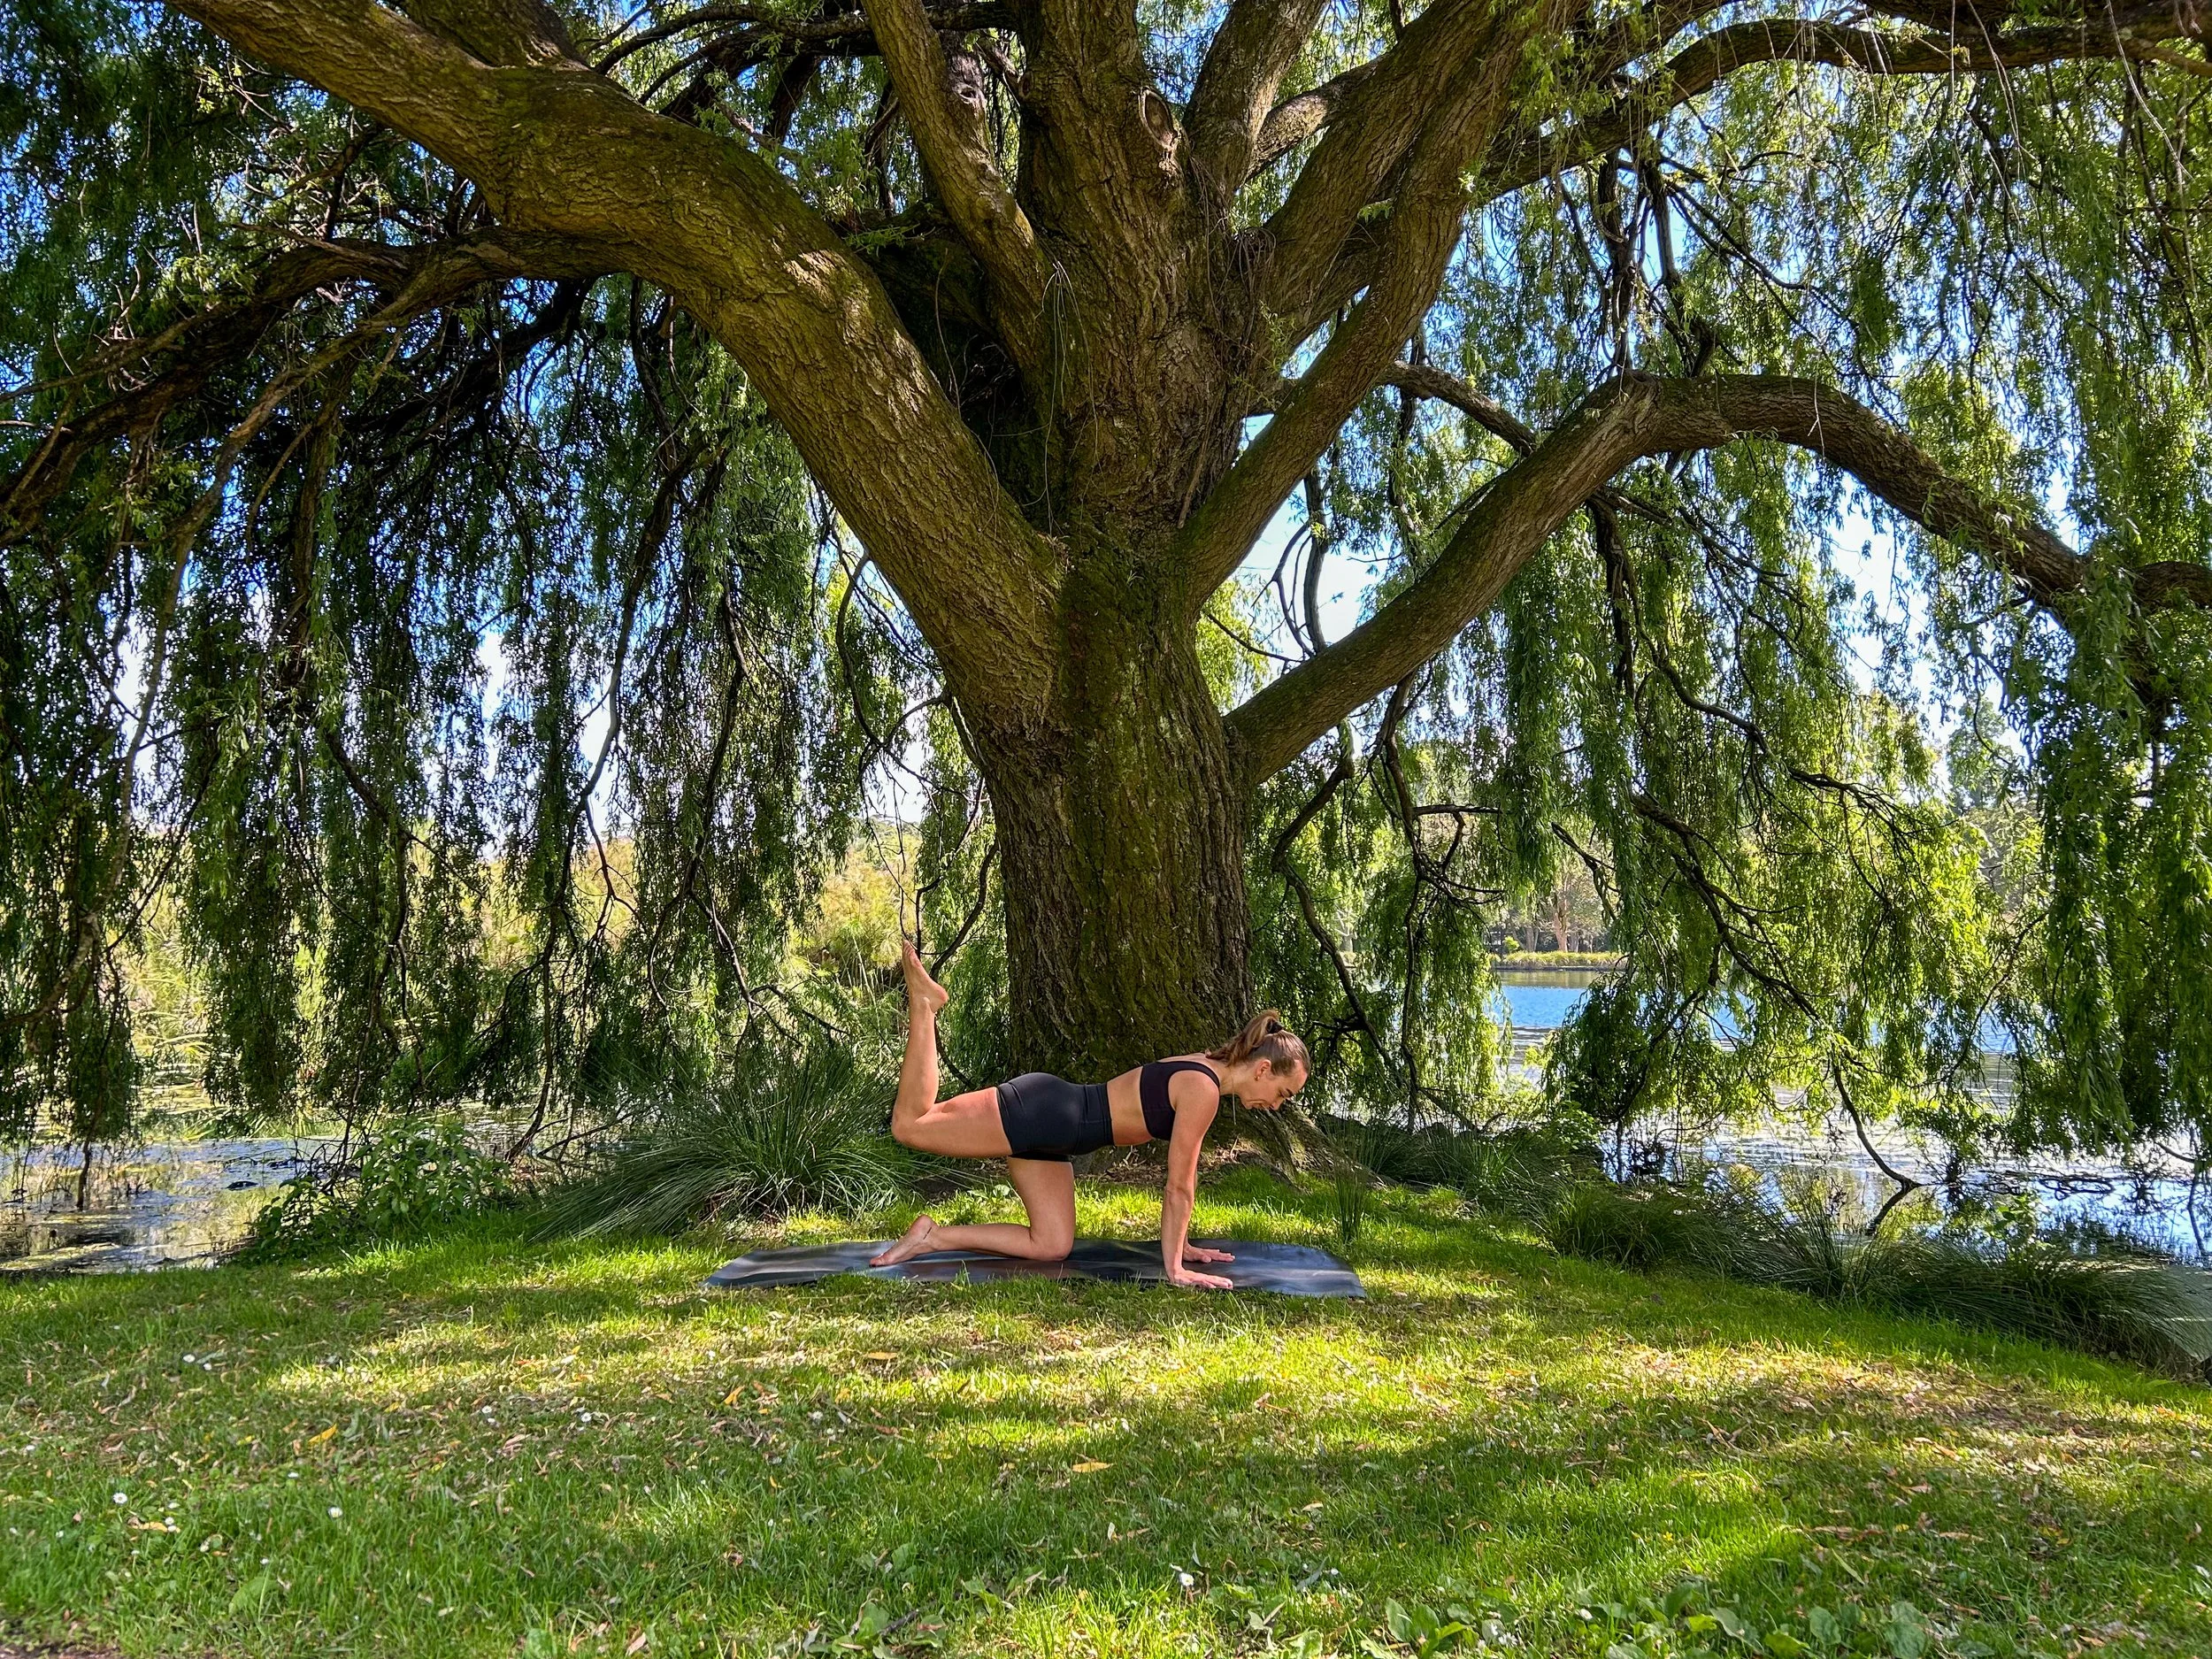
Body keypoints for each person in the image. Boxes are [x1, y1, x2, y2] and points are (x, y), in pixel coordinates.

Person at [872, 940, 1310, 1288]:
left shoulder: (1204, 1069)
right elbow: (1179, 1185)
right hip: (1042, 1111)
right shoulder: (1204, 1088)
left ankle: (933, 1237)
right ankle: (925, 1005)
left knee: (1051, 1244)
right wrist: (1175, 1267)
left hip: (1057, 1136)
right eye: (1283, 1094)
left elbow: (1180, 1185)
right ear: (1264, 1069)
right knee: (911, 1125)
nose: (1277, 1105)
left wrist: (1182, 1246)